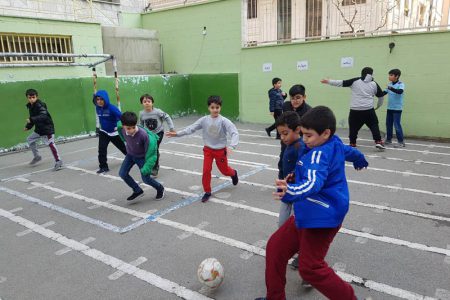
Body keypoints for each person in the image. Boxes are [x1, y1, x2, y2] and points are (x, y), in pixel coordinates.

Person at [255, 106, 369, 300]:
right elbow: (351, 152)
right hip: (309, 211)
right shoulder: (333, 143)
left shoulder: (318, 153)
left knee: (310, 268)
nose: (304, 140)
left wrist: (290, 190)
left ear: (326, 133)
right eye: (303, 134)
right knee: (275, 248)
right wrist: (360, 160)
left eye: (308, 136)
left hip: (322, 217)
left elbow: (313, 183)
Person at [166, 95, 239, 203]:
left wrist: (232, 146)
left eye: (217, 107)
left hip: (220, 151)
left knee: (224, 170)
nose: (215, 110)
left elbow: (234, 132)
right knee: (206, 170)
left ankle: (233, 173)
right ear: (209, 108)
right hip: (208, 150)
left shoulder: (224, 121)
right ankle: (207, 191)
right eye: (213, 107)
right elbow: (191, 128)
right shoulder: (204, 120)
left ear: (220, 108)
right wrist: (177, 134)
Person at [321, 67, 386, 150]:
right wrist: (378, 106)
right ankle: (378, 142)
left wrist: (328, 81)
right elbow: (381, 96)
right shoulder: (374, 84)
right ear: (371, 74)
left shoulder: (355, 81)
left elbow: (341, 83)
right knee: (374, 125)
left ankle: (352, 143)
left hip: (355, 110)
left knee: (353, 127)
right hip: (368, 109)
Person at [118, 111, 165, 201]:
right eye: (128, 128)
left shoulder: (143, 135)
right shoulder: (121, 129)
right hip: (130, 155)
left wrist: (147, 165)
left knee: (146, 179)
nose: (131, 130)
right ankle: (137, 190)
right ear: (123, 126)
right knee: (122, 173)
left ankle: (160, 188)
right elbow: (122, 135)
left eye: (133, 127)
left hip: (142, 157)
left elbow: (151, 152)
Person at [276, 84, 312, 179]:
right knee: (283, 160)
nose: (295, 101)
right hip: (287, 139)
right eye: (292, 98)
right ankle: (281, 181)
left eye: (298, 98)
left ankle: (296, 182)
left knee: (298, 163)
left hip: (300, 141)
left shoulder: (309, 111)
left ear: (304, 97)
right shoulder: (286, 105)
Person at [23, 88, 63, 171]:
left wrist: (32, 120)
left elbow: (43, 116)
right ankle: (37, 156)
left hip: (47, 129)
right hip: (39, 129)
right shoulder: (31, 106)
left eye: (33, 97)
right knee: (30, 139)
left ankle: (58, 161)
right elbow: (33, 118)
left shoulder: (39, 105)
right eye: (30, 98)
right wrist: (28, 126)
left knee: (50, 144)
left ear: (37, 97)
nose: (32, 99)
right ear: (27, 98)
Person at [139, 94, 175, 177]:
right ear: (142, 103)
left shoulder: (157, 111)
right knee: (151, 149)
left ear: (152, 103)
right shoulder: (141, 113)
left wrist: (171, 128)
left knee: (154, 148)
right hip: (149, 134)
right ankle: (156, 155)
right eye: (144, 102)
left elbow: (167, 117)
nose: (147, 103)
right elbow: (141, 124)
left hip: (159, 132)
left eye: (149, 101)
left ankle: (155, 168)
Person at [93, 90, 127, 174]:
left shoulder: (112, 108)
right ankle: (103, 167)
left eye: (101, 99)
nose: (99, 101)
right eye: (97, 99)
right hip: (104, 132)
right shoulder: (97, 108)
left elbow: (122, 117)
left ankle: (134, 158)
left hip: (114, 132)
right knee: (101, 149)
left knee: (123, 148)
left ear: (105, 99)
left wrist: (118, 126)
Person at [383, 69, 406, 147]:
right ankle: (389, 140)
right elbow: (383, 93)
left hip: (397, 109)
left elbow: (400, 91)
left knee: (396, 125)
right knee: (388, 124)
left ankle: (401, 142)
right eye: (389, 75)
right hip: (390, 108)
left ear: (397, 76)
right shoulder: (390, 84)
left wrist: (391, 88)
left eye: (391, 75)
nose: (389, 76)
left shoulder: (401, 84)